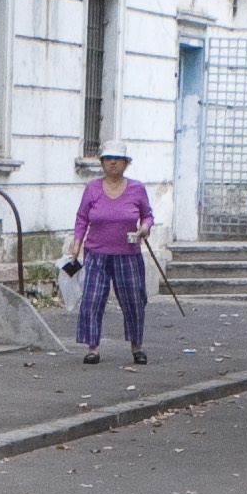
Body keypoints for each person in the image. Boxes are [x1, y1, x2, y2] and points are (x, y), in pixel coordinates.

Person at [68, 145, 154, 365]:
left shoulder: (137, 188)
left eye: (117, 159)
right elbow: (82, 218)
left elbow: (147, 215)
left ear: (126, 163)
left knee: (134, 301)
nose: (113, 162)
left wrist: (145, 228)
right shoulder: (92, 188)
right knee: (92, 299)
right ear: (102, 163)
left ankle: (137, 347)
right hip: (96, 253)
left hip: (128, 254)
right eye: (108, 159)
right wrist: (76, 243)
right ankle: (93, 348)